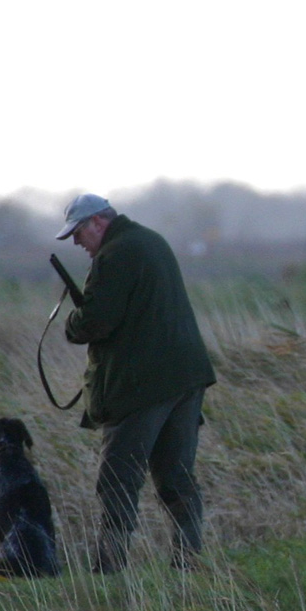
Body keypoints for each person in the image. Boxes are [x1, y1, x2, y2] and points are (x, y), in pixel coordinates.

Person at [56, 193, 216, 573]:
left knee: (117, 479)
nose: (78, 244)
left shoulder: (115, 255)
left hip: (141, 386)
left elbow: (96, 321)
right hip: (185, 377)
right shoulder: (150, 240)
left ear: (97, 223)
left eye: (78, 234)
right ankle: (188, 561)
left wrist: (72, 324)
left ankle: (109, 570)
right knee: (176, 477)